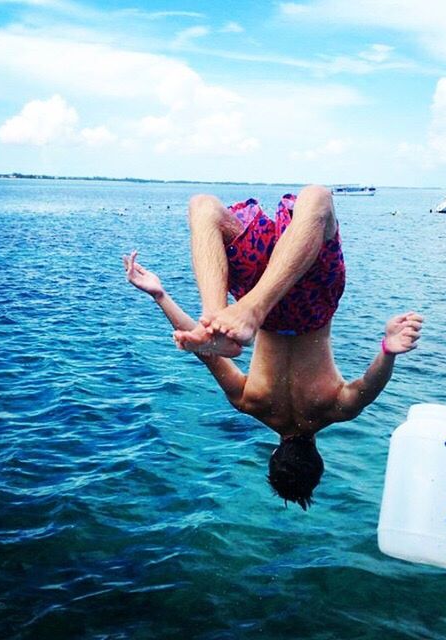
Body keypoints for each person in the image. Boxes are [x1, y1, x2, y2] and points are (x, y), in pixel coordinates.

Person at [124, 185, 423, 510]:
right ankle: (214, 317)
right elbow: (205, 355)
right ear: (273, 455)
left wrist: (388, 350)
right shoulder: (250, 402)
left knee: (318, 197)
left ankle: (222, 317)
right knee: (203, 207)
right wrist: (159, 295)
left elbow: (370, 384)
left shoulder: (334, 409)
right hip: (267, 287)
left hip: (304, 299)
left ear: (319, 461)